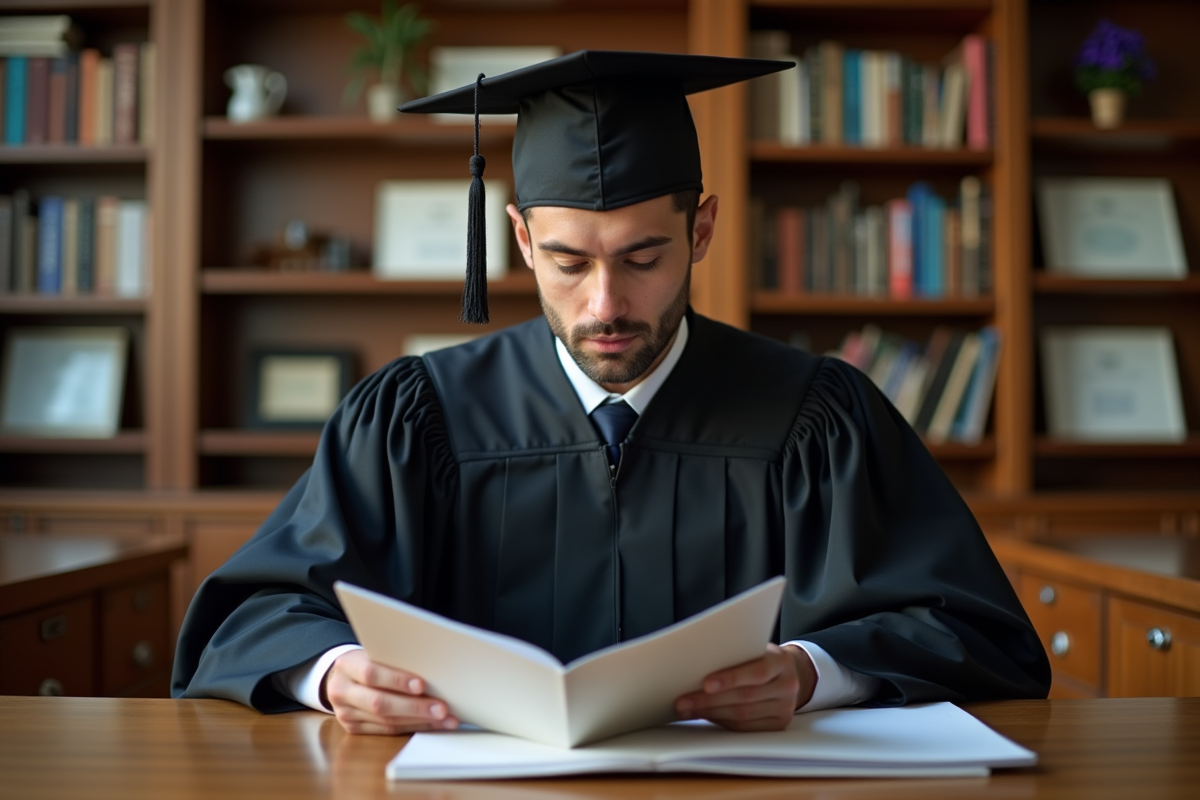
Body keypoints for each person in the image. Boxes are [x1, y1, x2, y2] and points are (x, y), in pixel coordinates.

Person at [172, 51, 1049, 735]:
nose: (605, 306)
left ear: (700, 229)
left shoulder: (817, 416)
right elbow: (252, 614)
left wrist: (814, 672)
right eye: (568, 262)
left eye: (642, 258)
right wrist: (330, 674)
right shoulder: (417, 416)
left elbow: (969, 628)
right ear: (519, 238)